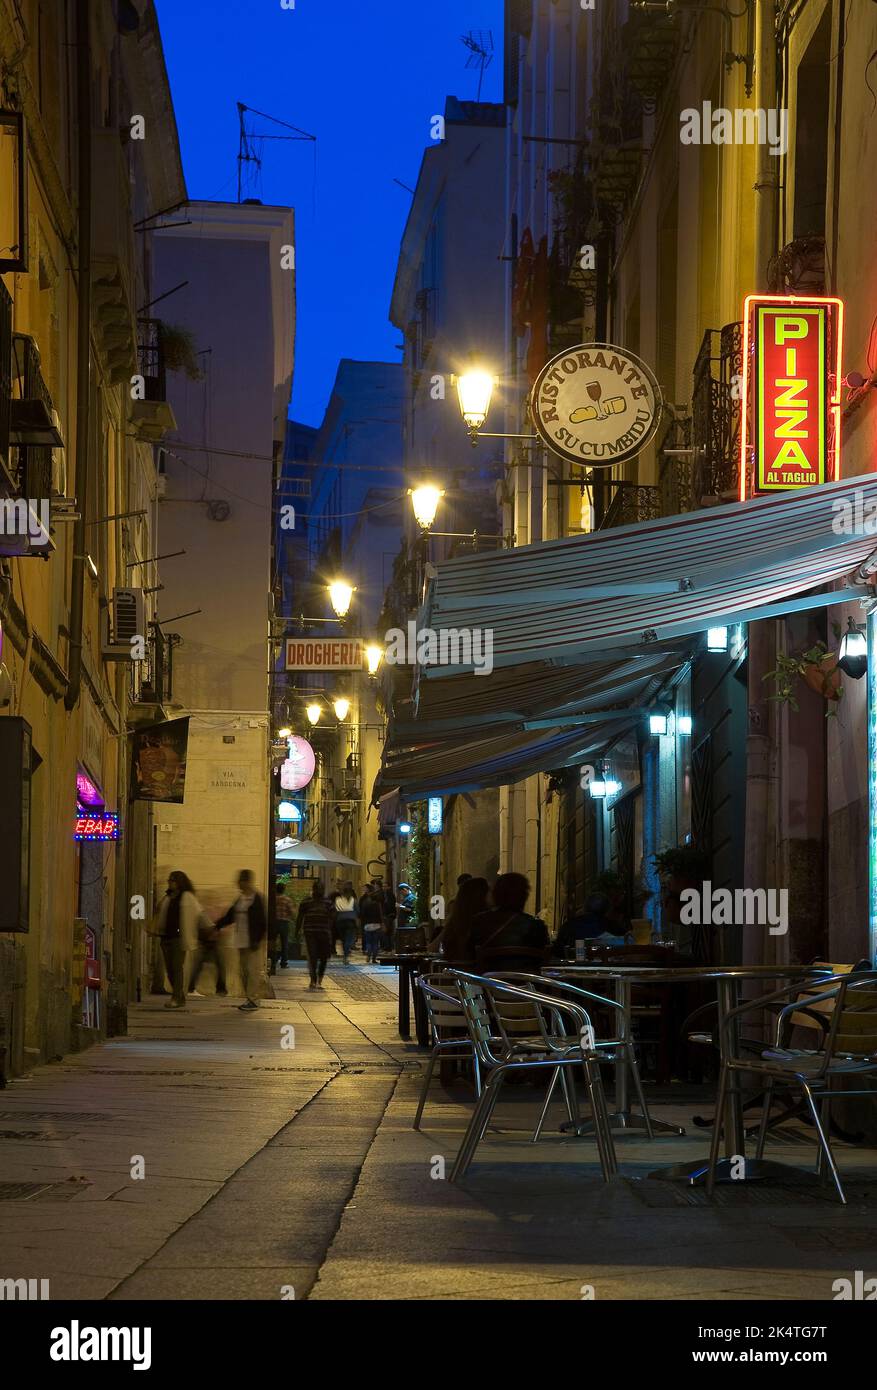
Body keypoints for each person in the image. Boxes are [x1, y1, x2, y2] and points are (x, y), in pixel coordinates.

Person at [470, 873, 549, 974]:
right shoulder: (536, 926)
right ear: (524, 896)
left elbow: (470, 955)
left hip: (488, 985)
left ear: (496, 894)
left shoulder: (479, 922)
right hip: (527, 987)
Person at [215, 870, 268, 1010]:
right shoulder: (241, 899)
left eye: (240, 882)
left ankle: (254, 1000)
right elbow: (230, 916)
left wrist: (259, 939)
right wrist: (217, 926)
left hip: (253, 942)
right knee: (243, 971)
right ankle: (249, 998)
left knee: (252, 971)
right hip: (240, 940)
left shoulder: (257, 899)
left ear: (247, 882)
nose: (238, 885)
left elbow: (263, 922)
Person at [156, 871, 204, 1009]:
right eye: (169, 880)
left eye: (173, 880)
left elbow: (198, 913)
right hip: (165, 937)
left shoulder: (187, 897)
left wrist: (211, 928)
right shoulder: (168, 897)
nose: (170, 883)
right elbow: (160, 912)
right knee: (170, 969)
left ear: (180, 882)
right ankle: (179, 997)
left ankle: (176, 997)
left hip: (179, 938)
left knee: (177, 968)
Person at [432, 876, 489, 969]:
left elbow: (432, 949)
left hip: (457, 978)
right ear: (481, 896)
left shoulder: (456, 924)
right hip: (483, 979)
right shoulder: (486, 923)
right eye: (489, 890)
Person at [552, 893, 618, 958]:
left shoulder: (568, 926)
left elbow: (558, 951)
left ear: (584, 907)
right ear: (608, 910)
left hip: (573, 965)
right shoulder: (613, 927)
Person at [297, 881, 335, 988]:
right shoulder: (306, 902)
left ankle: (320, 978)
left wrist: (330, 930)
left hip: (324, 933)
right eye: (317, 888)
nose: (319, 891)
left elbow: (332, 918)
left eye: (321, 889)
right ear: (313, 889)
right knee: (313, 956)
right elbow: (300, 917)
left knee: (324, 957)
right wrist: (297, 930)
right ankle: (313, 979)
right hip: (310, 933)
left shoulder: (328, 903)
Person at [333, 881, 359, 965]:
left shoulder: (338, 900)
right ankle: (346, 954)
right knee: (349, 939)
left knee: (343, 939)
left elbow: (335, 911)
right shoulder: (353, 900)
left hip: (340, 922)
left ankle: (345, 953)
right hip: (350, 922)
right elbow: (358, 911)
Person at [359, 882, 384, 964]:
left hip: (367, 925)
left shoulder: (365, 904)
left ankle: (368, 955)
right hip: (376, 925)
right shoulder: (378, 905)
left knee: (369, 942)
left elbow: (362, 914)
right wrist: (381, 923)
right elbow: (380, 915)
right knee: (376, 943)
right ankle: (374, 958)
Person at [274, 880, 294, 969]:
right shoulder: (287, 899)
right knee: (284, 943)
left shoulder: (272, 899)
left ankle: (272, 961)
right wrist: (289, 917)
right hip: (284, 923)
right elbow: (292, 911)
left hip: (274, 922)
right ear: (283, 890)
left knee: (273, 942)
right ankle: (283, 962)